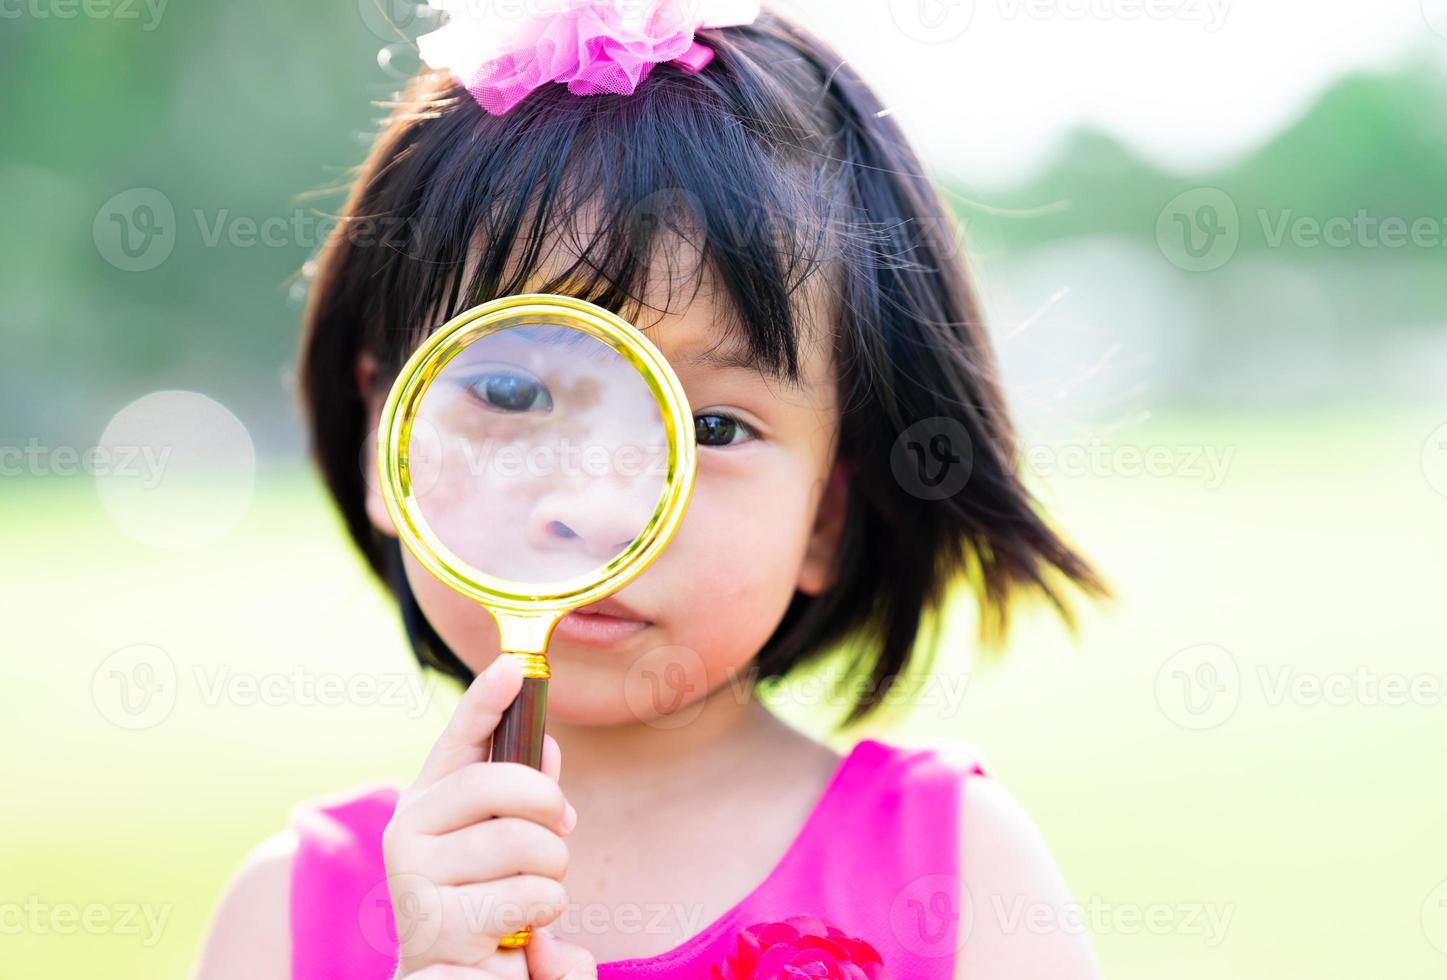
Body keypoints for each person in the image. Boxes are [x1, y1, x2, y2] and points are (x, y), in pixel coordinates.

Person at [196, 2, 1108, 977]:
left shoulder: (959, 871)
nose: (597, 508)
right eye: (511, 390)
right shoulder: (288, 912)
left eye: (715, 428)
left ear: (828, 515)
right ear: (392, 436)